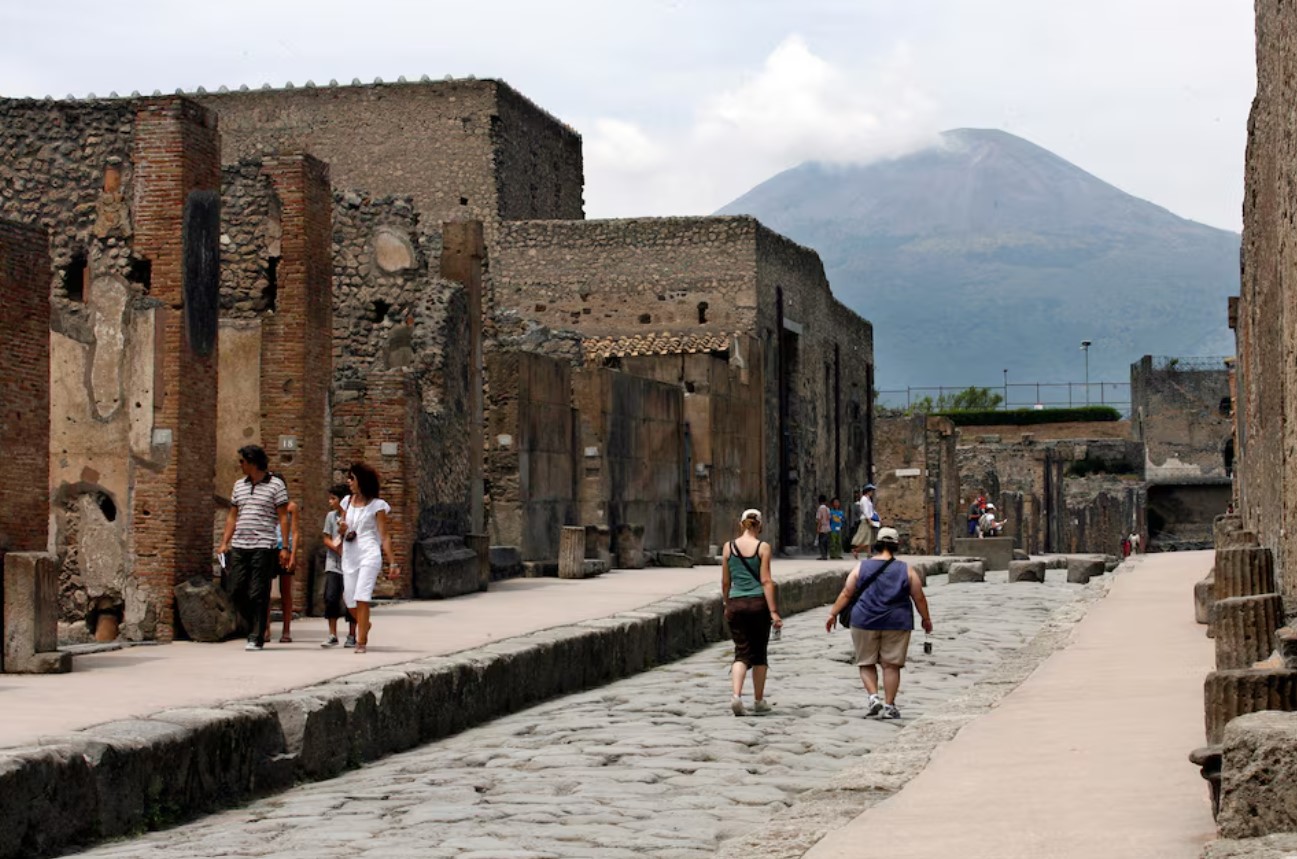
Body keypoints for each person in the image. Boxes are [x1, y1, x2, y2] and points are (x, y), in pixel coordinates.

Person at [825, 526, 933, 719]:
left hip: (864, 620)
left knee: (866, 662)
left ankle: (874, 697)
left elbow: (847, 593)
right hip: (896, 622)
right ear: (896, 545)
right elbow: (919, 597)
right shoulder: (906, 569)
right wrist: (926, 619)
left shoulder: (862, 567)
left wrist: (833, 613)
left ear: (877, 544)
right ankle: (890, 705)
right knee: (891, 665)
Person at [216, 445, 290, 651]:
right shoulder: (239, 485)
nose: (240, 465)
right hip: (240, 545)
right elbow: (232, 516)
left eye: (242, 461)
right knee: (235, 589)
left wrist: (284, 547)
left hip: (264, 545)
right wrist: (224, 542)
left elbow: (283, 518)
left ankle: (256, 635)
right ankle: (252, 626)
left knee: (258, 591)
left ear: (253, 462)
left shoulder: (276, 485)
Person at [721, 508, 783, 716]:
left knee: (741, 652)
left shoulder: (728, 547)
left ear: (741, 524)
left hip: (736, 604)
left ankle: (736, 696)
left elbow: (726, 581)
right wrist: (773, 612)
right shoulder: (762, 547)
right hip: (757, 604)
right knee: (759, 654)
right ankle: (758, 700)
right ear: (760, 525)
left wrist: (726, 602)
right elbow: (766, 581)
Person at [339, 462, 398, 654]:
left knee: (361, 596)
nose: (349, 482)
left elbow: (384, 535)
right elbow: (343, 527)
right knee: (349, 599)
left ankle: (361, 641)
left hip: (369, 553)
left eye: (352, 478)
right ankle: (365, 624)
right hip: (350, 554)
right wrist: (342, 528)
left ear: (361, 481)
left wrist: (392, 562)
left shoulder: (377, 506)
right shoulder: (346, 502)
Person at [321, 484, 357, 648]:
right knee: (330, 597)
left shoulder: (354, 516)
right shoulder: (331, 516)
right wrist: (336, 548)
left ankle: (352, 634)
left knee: (351, 598)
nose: (330, 502)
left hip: (351, 564)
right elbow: (326, 538)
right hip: (333, 563)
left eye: (333, 498)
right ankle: (332, 634)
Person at [265, 496, 299, 643]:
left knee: (285, 591)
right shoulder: (268, 506)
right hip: (269, 548)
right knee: (265, 591)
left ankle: (286, 630)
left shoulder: (291, 507)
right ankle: (266, 628)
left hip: (286, 548)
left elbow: (295, 532)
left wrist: (293, 555)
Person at [851, 484, 880, 559]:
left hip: (869, 519)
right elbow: (866, 511)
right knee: (865, 538)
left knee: (869, 538)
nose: (872, 492)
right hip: (866, 520)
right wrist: (869, 520)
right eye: (871, 491)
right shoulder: (864, 499)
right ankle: (856, 550)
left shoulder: (868, 499)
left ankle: (869, 554)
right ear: (868, 491)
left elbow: (871, 510)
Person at [815, 495, 831, 560]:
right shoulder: (828, 509)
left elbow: (819, 519)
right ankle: (825, 555)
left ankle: (823, 555)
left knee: (821, 542)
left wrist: (818, 527)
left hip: (822, 527)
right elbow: (829, 518)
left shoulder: (820, 509)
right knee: (826, 542)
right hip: (827, 527)